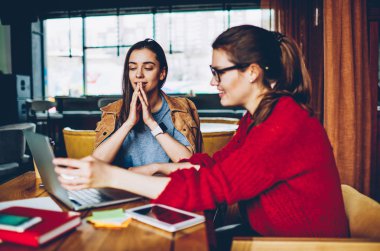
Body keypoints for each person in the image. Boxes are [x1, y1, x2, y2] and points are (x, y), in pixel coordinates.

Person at [54, 25, 349, 239]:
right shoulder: (258, 117)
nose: (213, 82)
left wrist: (111, 176)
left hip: (299, 247)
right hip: (266, 236)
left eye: (219, 72)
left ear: (252, 72)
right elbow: (214, 165)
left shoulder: (284, 123)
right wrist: (157, 167)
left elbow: (211, 188)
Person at [92, 39, 202, 168]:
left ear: (162, 73)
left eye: (148, 68)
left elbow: (190, 164)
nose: (138, 74)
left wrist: (151, 122)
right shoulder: (113, 111)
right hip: (123, 185)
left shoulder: (181, 109)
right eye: (132, 68)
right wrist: (129, 123)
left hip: (166, 185)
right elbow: (96, 163)